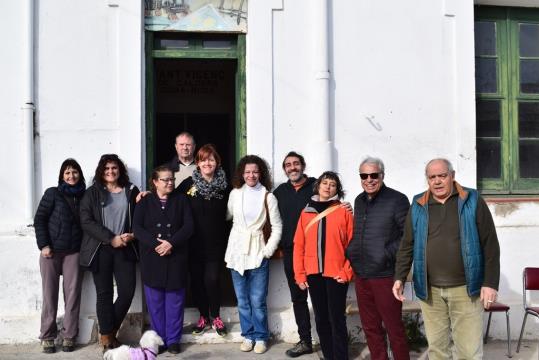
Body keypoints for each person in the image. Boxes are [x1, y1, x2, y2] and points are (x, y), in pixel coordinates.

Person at [392, 158, 500, 360]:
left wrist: (490, 283)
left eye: (442, 175)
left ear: (452, 176)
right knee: (438, 351)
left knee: (469, 352)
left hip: (467, 289)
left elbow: (490, 245)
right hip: (430, 290)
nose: (437, 181)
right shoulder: (418, 204)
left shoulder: (472, 199)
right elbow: (407, 244)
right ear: (428, 180)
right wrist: (399, 277)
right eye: (432, 177)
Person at [345, 157, 410, 360]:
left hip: (384, 276)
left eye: (374, 175)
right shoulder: (359, 200)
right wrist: (352, 252)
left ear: (382, 175)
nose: (369, 180)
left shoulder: (396, 199)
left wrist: (385, 253)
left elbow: (407, 236)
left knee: (394, 328)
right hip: (362, 275)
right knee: (370, 327)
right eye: (364, 176)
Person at [79, 154, 140, 352]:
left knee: (127, 291)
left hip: (124, 248)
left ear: (120, 170)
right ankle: (108, 341)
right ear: (101, 172)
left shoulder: (131, 191)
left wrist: (132, 235)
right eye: (107, 169)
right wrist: (110, 238)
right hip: (101, 248)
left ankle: (107, 332)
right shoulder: (92, 193)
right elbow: (86, 221)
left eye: (114, 168)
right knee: (104, 293)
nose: (111, 172)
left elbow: (141, 217)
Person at [133, 165, 193, 354]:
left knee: (175, 300)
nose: (170, 183)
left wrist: (171, 243)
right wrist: (156, 244)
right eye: (165, 179)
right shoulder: (144, 202)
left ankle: (174, 340)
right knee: (155, 302)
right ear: (155, 182)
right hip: (152, 257)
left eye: (172, 179)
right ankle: (159, 339)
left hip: (176, 256)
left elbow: (189, 226)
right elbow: (137, 228)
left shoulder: (181, 200)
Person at [225, 155, 282, 354]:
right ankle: (247, 335)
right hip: (236, 252)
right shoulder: (234, 194)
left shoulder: (268, 197)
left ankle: (260, 337)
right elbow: (228, 216)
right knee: (242, 300)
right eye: (247, 172)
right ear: (242, 173)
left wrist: (267, 251)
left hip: (258, 251)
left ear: (261, 173)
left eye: (255, 171)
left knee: (257, 300)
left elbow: (277, 227)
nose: (251, 175)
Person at [293, 171, 354, 360]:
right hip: (313, 273)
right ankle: (329, 356)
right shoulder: (306, 212)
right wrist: (300, 275)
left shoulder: (344, 210)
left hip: (336, 273)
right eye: (325, 183)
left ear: (337, 189)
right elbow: (299, 246)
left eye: (333, 184)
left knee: (337, 318)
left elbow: (353, 245)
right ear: (318, 185)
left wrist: (346, 271)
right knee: (321, 319)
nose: (328, 187)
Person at [177, 144, 230, 337]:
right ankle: (203, 317)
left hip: (216, 244)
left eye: (211, 159)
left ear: (217, 162)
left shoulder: (226, 187)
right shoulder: (187, 185)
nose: (207, 163)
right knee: (197, 281)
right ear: (197, 163)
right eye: (203, 159)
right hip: (193, 244)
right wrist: (147, 195)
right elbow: (171, 202)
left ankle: (215, 316)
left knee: (212, 280)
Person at [34, 158, 86, 354]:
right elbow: (39, 219)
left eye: (74, 172)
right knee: (49, 295)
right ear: (61, 176)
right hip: (51, 253)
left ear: (79, 174)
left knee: (72, 296)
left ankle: (69, 336)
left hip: (74, 252)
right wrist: (44, 245)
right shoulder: (52, 194)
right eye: (67, 173)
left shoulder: (85, 196)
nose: (71, 176)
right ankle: (47, 336)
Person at [273, 152, 316, 357]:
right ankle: (305, 341)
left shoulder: (317, 186)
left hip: (317, 252)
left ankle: (328, 339)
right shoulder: (280, 192)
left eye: (296, 164)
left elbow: (335, 207)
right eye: (288, 165)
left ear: (303, 165)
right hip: (291, 253)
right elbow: (274, 222)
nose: (292, 168)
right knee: (298, 298)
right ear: (284, 169)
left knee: (320, 297)